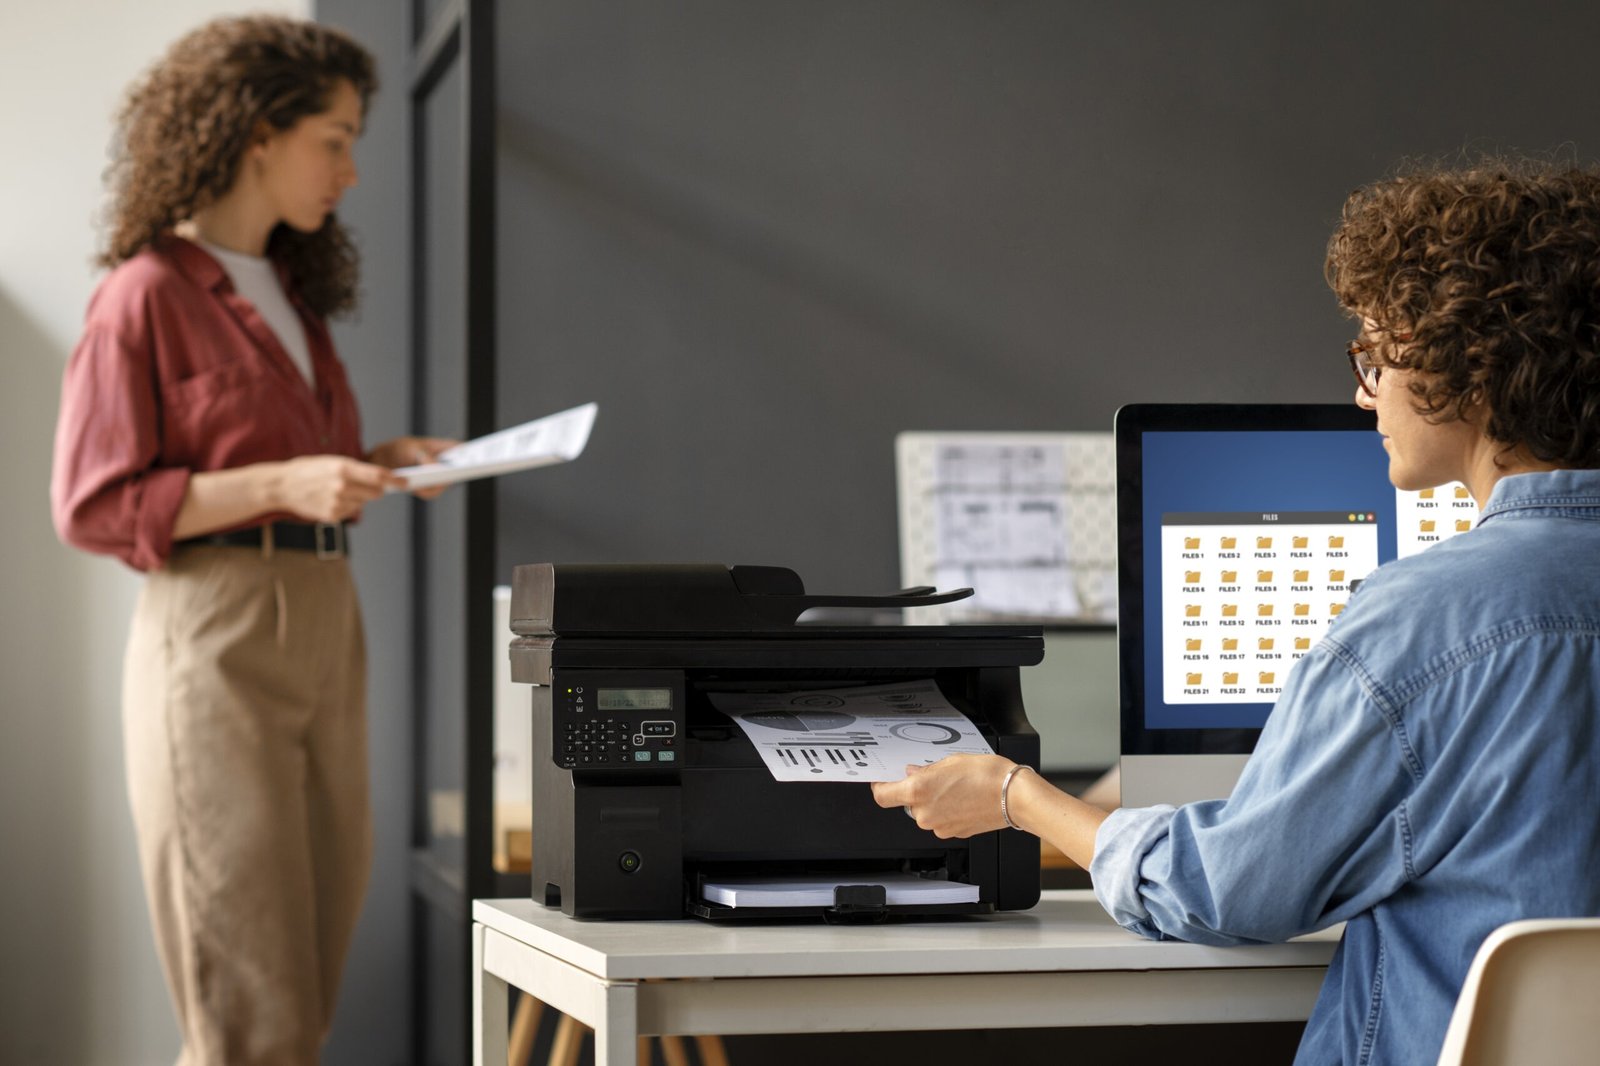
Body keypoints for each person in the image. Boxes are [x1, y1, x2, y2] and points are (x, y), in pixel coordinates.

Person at [873, 158, 1600, 1065]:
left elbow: (1228, 891)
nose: (1363, 393)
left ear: (1471, 367)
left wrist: (1019, 798)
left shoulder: (1417, 624)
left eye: (1377, 354)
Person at [50, 17, 453, 1065]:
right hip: (217, 637)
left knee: (303, 990)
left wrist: (373, 457)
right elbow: (92, 504)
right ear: (257, 132)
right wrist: (284, 479)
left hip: (328, 623)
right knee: (249, 1015)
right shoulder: (144, 293)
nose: (351, 170)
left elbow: (281, 467)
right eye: (335, 137)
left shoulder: (292, 295)